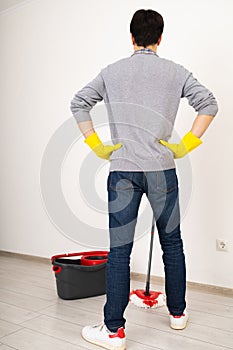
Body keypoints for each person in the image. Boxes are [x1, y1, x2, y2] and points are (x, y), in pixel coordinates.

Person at [70, 9, 218, 350]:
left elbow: (79, 103)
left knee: (120, 251)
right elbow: (208, 104)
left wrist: (97, 146)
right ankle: (178, 313)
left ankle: (114, 332)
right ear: (160, 37)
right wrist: (185, 146)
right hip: (162, 170)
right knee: (173, 243)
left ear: (132, 37)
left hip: (123, 170)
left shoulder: (112, 72)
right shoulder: (175, 72)